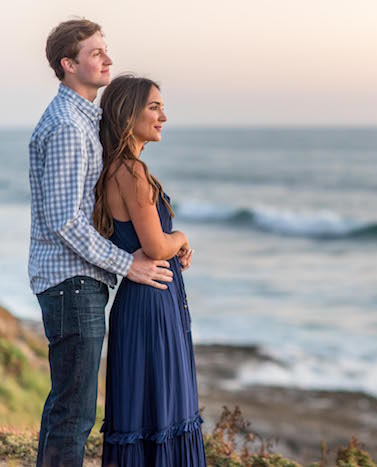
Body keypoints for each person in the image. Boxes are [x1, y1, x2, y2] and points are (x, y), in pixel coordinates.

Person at [29, 19, 177, 467]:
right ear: (68, 64)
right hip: (71, 282)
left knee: (68, 408)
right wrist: (126, 263)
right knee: (74, 414)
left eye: (105, 50)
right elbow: (64, 222)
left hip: (75, 281)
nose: (107, 59)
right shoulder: (69, 129)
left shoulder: (84, 121)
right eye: (95, 53)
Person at [95, 75, 204, 466]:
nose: (163, 117)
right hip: (151, 305)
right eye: (154, 107)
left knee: (145, 411)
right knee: (163, 412)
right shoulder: (131, 171)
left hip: (146, 298)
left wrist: (172, 249)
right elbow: (156, 245)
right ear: (128, 114)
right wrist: (181, 238)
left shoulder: (115, 169)